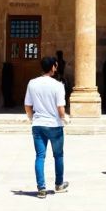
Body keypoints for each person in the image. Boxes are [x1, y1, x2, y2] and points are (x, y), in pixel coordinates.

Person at [24, 56, 68, 198]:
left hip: (38, 124)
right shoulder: (58, 85)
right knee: (58, 155)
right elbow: (60, 108)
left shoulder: (32, 83)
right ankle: (59, 184)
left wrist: (32, 118)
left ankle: (41, 188)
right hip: (54, 125)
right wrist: (64, 118)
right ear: (54, 67)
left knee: (40, 156)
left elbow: (28, 105)